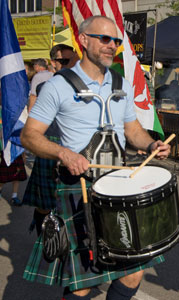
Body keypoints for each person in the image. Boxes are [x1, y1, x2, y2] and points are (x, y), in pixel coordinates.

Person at [21, 16, 170, 300]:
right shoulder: (58, 85)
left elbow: (132, 130)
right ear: (83, 39)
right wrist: (63, 153)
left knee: (133, 271)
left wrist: (151, 144)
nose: (111, 45)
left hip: (118, 187)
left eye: (115, 40)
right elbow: (30, 136)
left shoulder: (121, 84)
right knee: (83, 282)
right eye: (104, 39)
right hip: (80, 188)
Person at [22, 43, 79, 235]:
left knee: (72, 199)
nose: (68, 65)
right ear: (53, 63)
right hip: (51, 142)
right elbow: (33, 111)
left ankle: (67, 236)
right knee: (46, 201)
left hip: (74, 144)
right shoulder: (45, 86)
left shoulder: (83, 86)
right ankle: (43, 235)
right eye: (63, 61)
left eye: (72, 61)